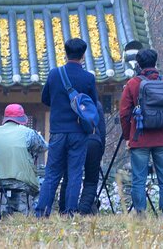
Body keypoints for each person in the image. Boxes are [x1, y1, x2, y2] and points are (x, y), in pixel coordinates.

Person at [33, 37, 99, 216]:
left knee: (52, 173)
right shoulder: (88, 78)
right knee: (75, 172)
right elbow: (92, 105)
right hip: (78, 131)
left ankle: (42, 211)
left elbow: (45, 98)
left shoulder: (55, 74)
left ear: (66, 53)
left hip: (58, 131)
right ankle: (70, 211)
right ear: (83, 55)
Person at [118, 48, 163, 217]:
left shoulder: (132, 84)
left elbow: (124, 113)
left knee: (139, 179)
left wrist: (127, 137)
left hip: (140, 137)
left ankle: (141, 215)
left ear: (138, 64)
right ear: (155, 62)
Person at [0, 104, 48, 215]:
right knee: (45, 183)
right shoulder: (28, 133)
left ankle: (10, 209)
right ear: (21, 119)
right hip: (22, 181)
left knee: (13, 179)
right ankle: (37, 212)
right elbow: (43, 147)